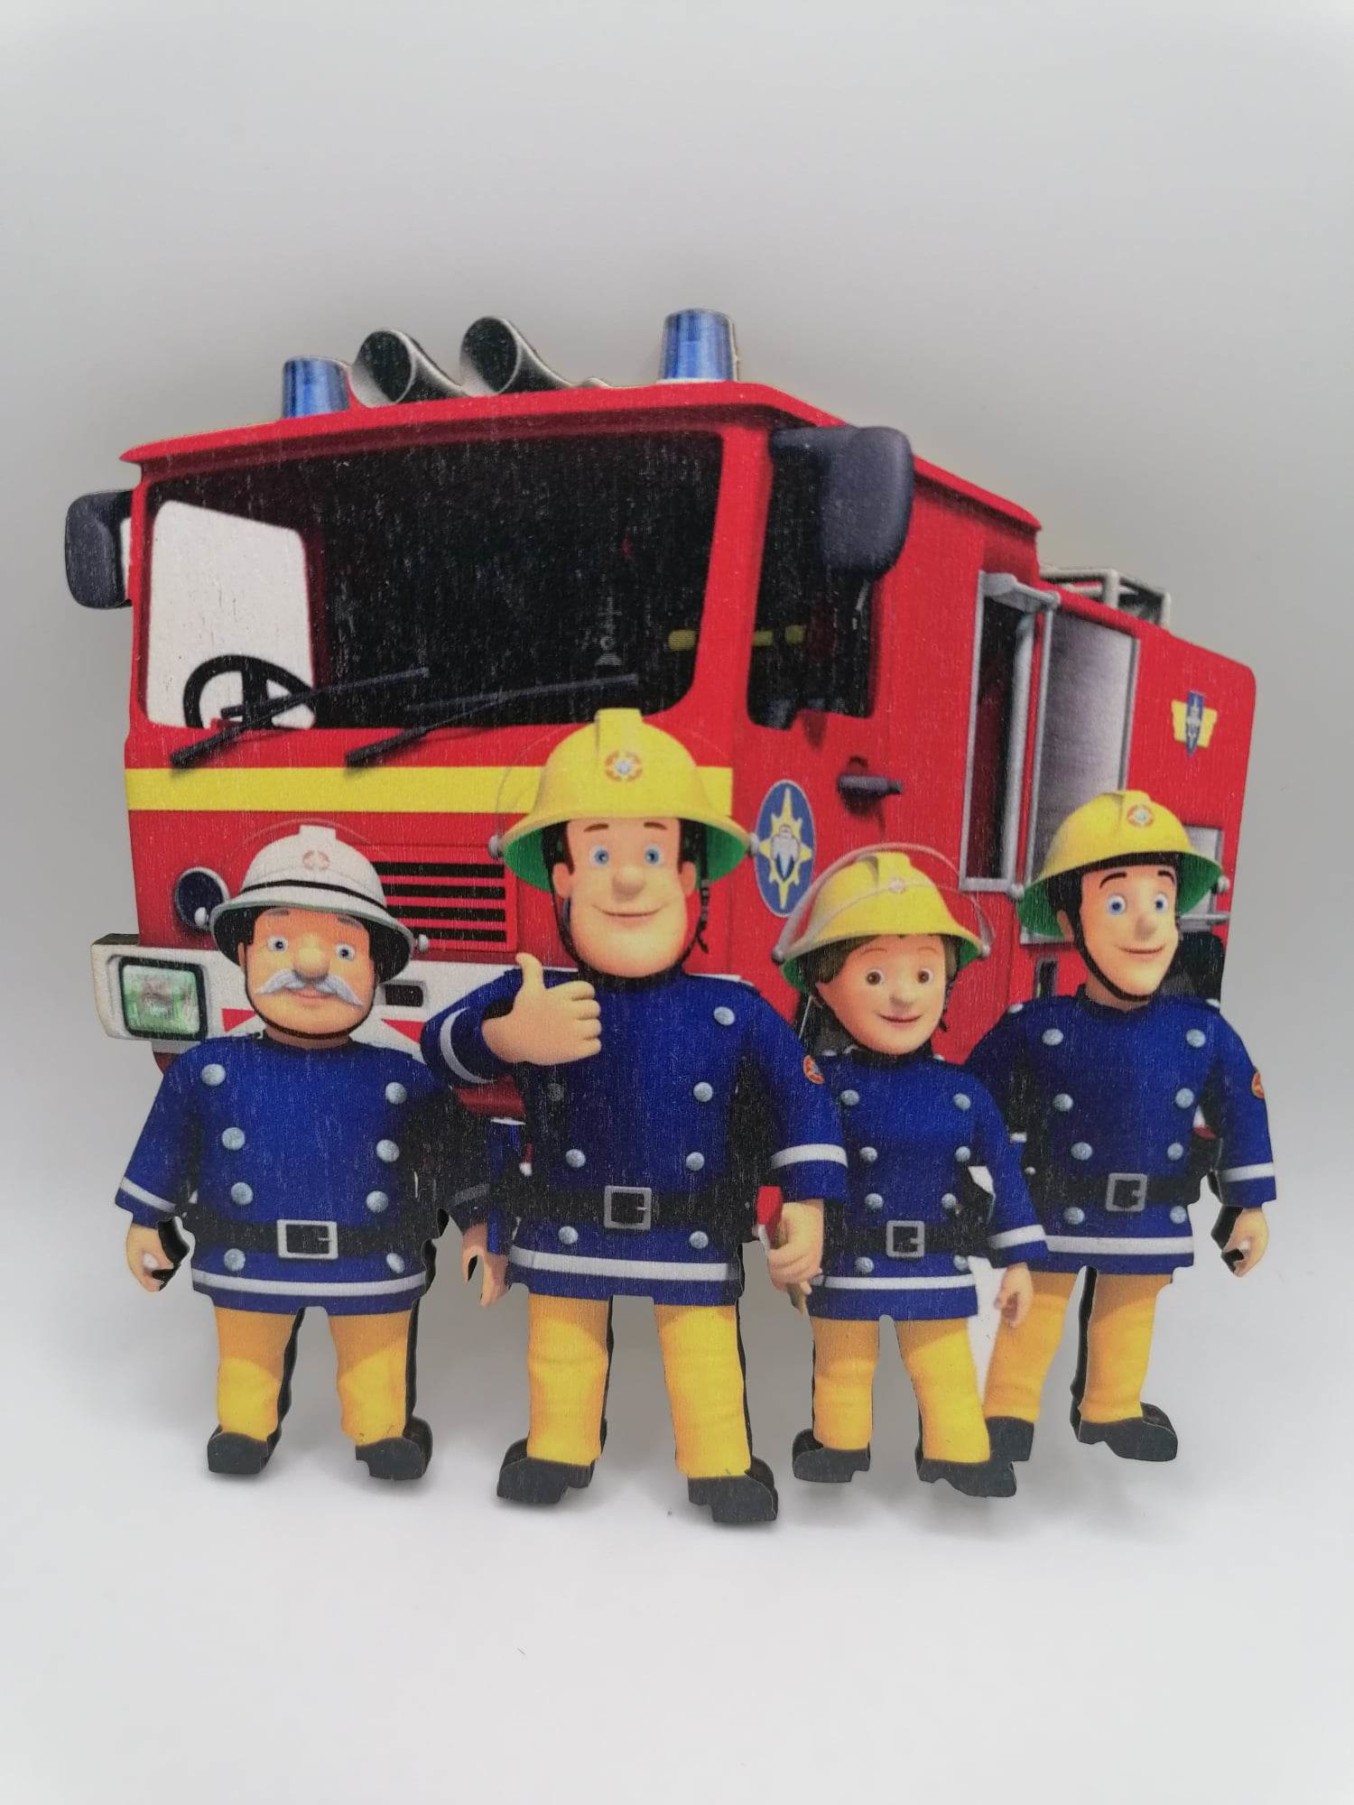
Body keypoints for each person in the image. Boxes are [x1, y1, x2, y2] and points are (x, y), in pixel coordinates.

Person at [423, 709, 846, 1523]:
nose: (626, 880)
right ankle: (558, 1448)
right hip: (565, 1224)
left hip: (691, 1228)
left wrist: (808, 1198)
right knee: (562, 1352)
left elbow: (805, 1097)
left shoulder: (732, 1008)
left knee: (704, 1357)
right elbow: (438, 1050)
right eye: (599, 854)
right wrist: (506, 1035)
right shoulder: (536, 990)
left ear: (688, 874)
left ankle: (720, 1464)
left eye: (652, 853)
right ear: (560, 876)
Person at [118, 825, 495, 1479]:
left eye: (344, 948)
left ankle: (381, 1432)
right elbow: (168, 1143)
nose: (314, 965)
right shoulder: (207, 1070)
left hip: (370, 1258)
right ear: (243, 953)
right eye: (281, 943)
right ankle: (244, 1428)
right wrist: (146, 1219)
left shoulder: (405, 1078)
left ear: (378, 968)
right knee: (247, 1356)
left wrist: (479, 1223)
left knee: (375, 1355)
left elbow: (458, 1151)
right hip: (248, 1255)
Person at [969, 790, 1275, 1462]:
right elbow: (966, 1100)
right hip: (1056, 1205)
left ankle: (1111, 1406)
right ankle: (1007, 1412)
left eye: (1160, 900)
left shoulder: (1202, 1031)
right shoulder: (1037, 1027)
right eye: (1116, 903)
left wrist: (1248, 1203)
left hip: (1151, 1212)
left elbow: (1243, 1109)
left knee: (1130, 1312)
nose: (1144, 923)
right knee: (1033, 1311)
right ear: (1066, 918)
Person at [774, 848, 1044, 1496]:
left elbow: (1004, 1176)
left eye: (924, 972)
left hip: (936, 1264)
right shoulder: (816, 1086)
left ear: (947, 981)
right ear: (822, 984)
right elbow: (790, 1166)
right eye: (874, 975)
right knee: (843, 1368)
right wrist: (788, 1232)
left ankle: (960, 1451)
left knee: (944, 1366)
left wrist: (1018, 1260)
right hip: (848, 1260)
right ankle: (839, 1446)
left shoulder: (964, 1092)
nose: (902, 994)